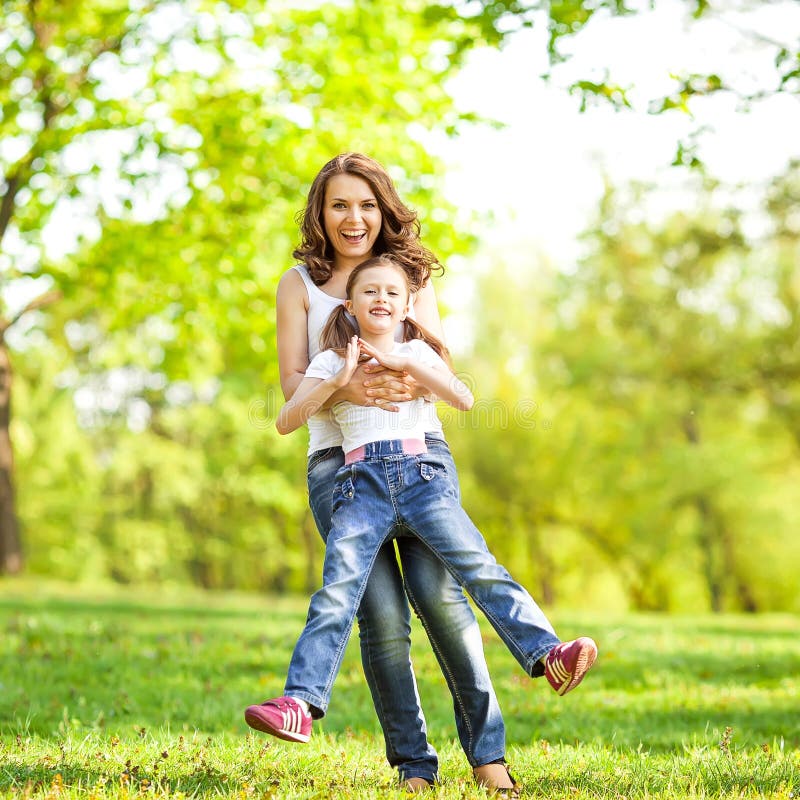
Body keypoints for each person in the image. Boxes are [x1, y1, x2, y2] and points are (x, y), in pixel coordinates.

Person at [246, 256, 599, 781]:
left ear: (408, 306)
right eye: (370, 292)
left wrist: (409, 366)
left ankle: (547, 653)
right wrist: (337, 381)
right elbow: (285, 419)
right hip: (358, 484)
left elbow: (463, 397)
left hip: (423, 477)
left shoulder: (416, 352)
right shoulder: (331, 358)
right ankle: (300, 701)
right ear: (350, 304)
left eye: (393, 293)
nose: (381, 300)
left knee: (478, 567)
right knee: (338, 590)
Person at [264, 153, 520, 795]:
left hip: (419, 456)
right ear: (320, 213)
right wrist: (346, 387)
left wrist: (400, 378)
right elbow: (293, 385)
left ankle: (489, 758)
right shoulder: (298, 285)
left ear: (384, 211)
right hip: (339, 466)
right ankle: (413, 766)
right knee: (380, 618)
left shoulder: (410, 276)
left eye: (366, 205)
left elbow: (437, 370)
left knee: (443, 601)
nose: (353, 218)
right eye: (339, 205)